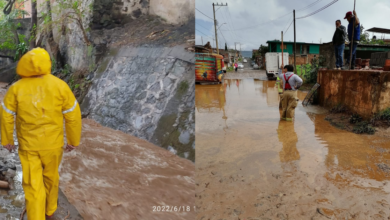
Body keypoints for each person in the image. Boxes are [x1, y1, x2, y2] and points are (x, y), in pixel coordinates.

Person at [0, 48, 82, 219]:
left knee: (32, 184)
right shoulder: (60, 86)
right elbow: (73, 115)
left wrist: (7, 140)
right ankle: (50, 211)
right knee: (51, 178)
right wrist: (73, 140)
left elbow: (6, 116)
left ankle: (36, 216)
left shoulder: (16, 89)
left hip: (29, 147)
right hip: (53, 146)